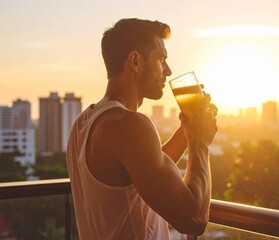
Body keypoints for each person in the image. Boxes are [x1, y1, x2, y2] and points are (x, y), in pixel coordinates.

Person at [66, 18, 218, 239]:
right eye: (161, 59)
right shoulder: (129, 124)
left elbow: (143, 167)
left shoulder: (83, 123)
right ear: (135, 61)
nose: (168, 70)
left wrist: (188, 131)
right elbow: (193, 219)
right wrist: (200, 142)